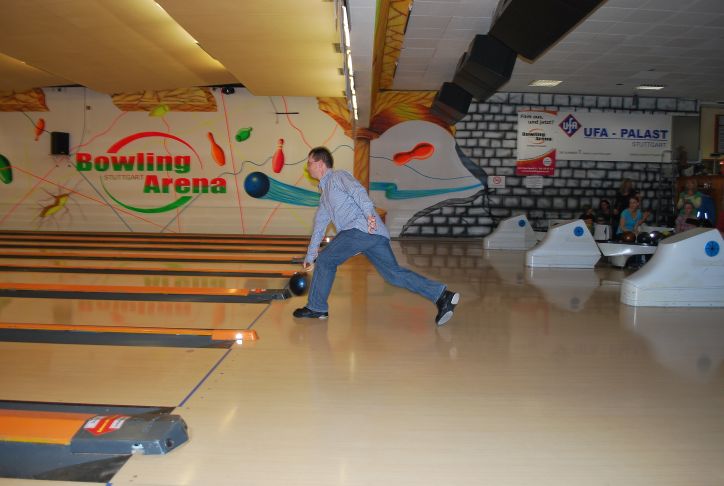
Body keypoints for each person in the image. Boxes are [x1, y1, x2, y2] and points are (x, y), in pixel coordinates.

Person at [293, 147, 460, 326]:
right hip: (374, 235)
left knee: (326, 260)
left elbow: (357, 190)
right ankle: (442, 295)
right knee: (393, 275)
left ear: (320, 164)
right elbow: (319, 227)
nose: (308, 167)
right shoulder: (325, 195)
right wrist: (310, 256)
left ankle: (317, 307)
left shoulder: (337, 177)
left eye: (310, 163)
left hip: (360, 229)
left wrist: (368, 214)